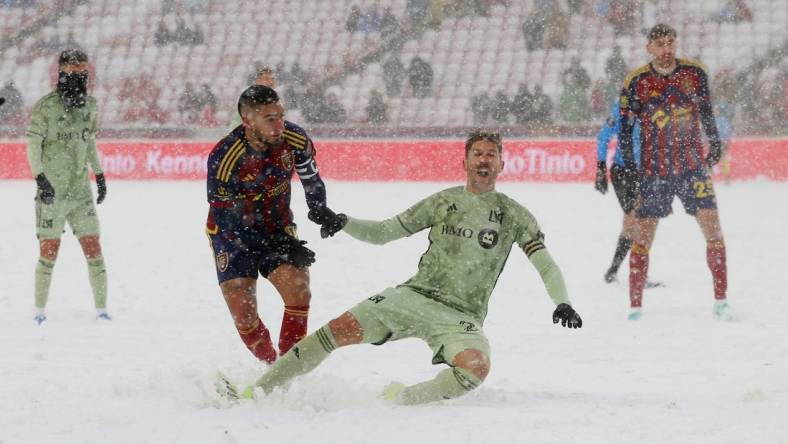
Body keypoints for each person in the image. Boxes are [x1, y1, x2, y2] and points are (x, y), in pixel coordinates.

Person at [219, 130, 582, 405]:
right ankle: (255, 392)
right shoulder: (444, 201)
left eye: (491, 155)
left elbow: (545, 263)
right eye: (477, 154)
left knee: (475, 369)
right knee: (334, 331)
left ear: (502, 164)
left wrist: (561, 301)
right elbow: (385, 232)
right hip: (412, 297)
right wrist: (342, 220)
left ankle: (399, 399)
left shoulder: (514, 215)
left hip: (461, 316)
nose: (484, 160)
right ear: (465, 162)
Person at [206, 85, 332, 363]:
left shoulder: (295, 139)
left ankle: (287, 368)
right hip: (231, 235)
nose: (279, 125)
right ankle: (270, 364)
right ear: (248, 121)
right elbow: (222, 211)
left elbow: (311, 178)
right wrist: (252, 237)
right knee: (244, 316)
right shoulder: (225, 156)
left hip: (277, 228)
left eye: (280, 116)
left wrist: (320, 209)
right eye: (269, 119)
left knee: (299, 290)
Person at [618, 24, 731, 321]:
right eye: (660, 44)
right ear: (649, 48)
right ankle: (635, 307)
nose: (667, 49)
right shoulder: (637, 81)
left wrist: (715, 143)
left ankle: (721, 301)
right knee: (643, 239)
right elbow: (626, 128)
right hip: (655, 171)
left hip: (693, 167)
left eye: (670, 42)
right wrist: (630, 167)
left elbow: (706, 112)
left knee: (714, 231)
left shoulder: (695, 73)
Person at [26, 49, 109, 325]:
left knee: (94, 248)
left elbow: (89, 142)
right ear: (61, 73)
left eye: (82, 73)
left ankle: (101, 311)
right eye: (72, 73)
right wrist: (40, 178)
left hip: (80, 192)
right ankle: (39, 311)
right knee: (49, 251)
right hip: (52, 193)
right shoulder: (45, 107)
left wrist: (98, 173)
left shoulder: (90, 106)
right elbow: (33, 146)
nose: (77, 78)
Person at [595, 101, 663, 288]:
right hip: (624, 173)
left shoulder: (657, 109)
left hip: (646, 174)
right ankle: (635, 273)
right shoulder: (621, 109)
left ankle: (615, 271)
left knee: (643, 222)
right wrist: (600, 168)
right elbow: (603, 137)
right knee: (637, 219)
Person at [228, 65, 276, 130]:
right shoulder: (249, 98)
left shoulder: (278, 100)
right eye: (266, 79)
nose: (270, 82)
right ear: (258, 81)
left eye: (272, 79)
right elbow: (236, 123)